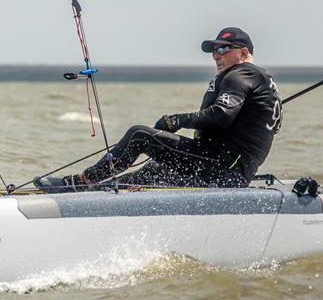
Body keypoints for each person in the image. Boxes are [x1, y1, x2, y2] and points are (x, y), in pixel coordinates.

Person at [35, 27, 282, 190]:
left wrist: (176, 120)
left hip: (220, 169)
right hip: (231, 175)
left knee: (139, 135)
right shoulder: (262, 80)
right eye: (214, 50)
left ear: (244, 52)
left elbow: (221, 115)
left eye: (223, 49)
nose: (216, 55)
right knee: (153, 170)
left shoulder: (240, 74)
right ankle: (99, 192)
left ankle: (79, 184)